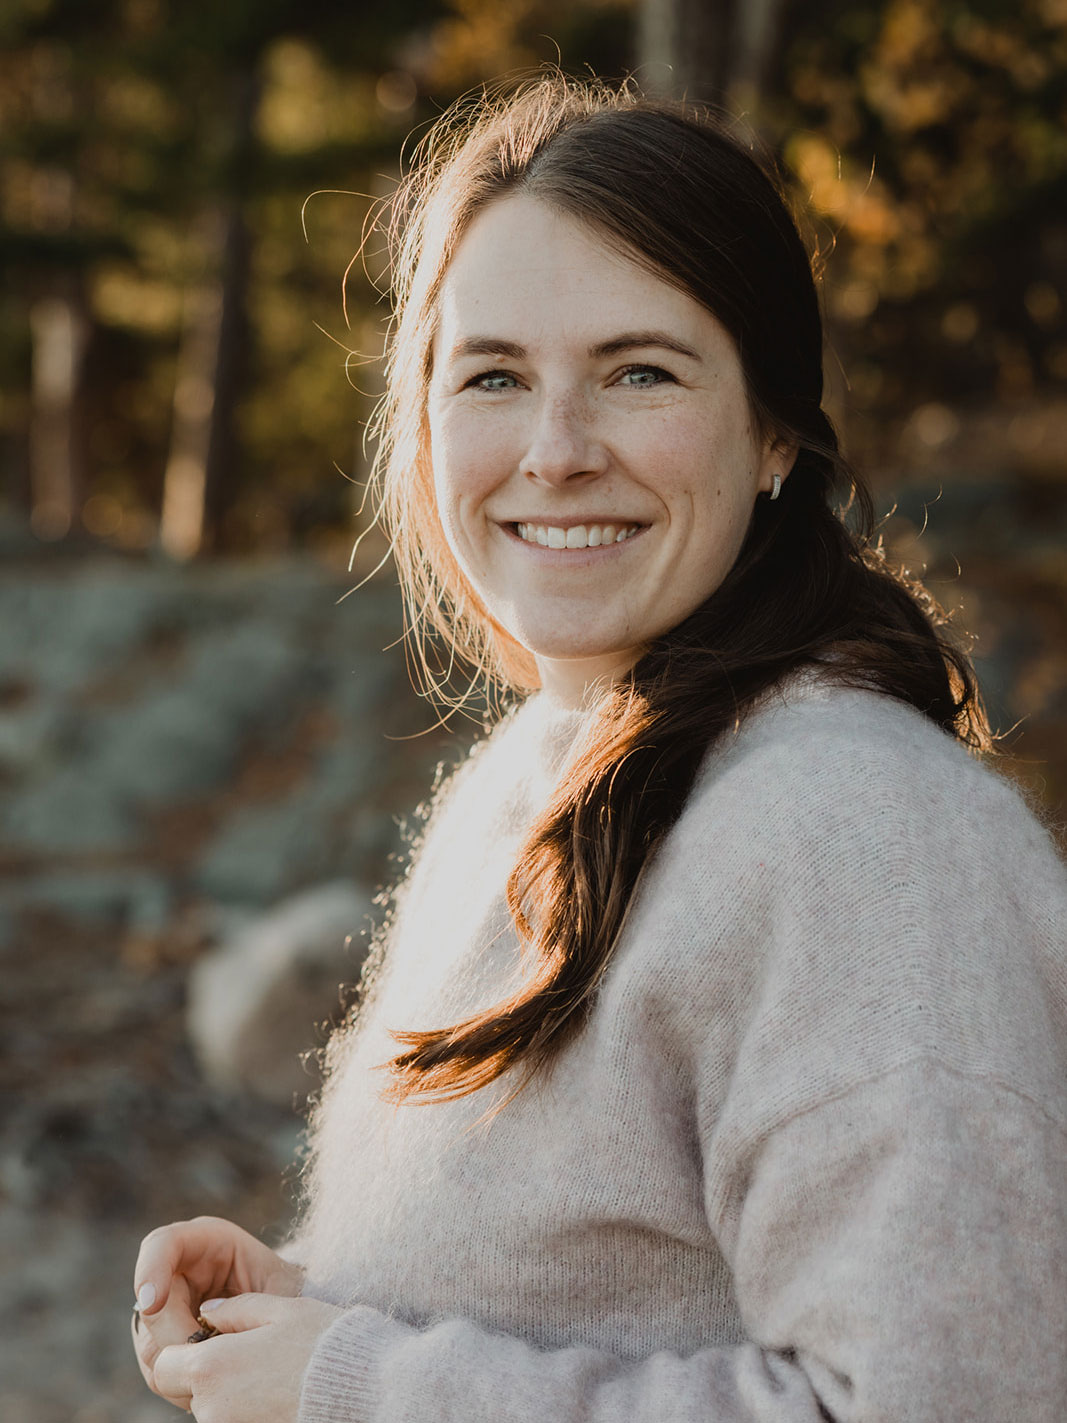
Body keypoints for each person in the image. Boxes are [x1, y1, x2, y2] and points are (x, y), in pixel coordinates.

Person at [131, 74, 1067, 1422]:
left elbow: (941, 1398)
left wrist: (360, 1383)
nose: (556, 452)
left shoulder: (861, 838)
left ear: (775, 439)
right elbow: (604, 1306)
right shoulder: (539, 773)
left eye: (639, 372)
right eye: (495, 377)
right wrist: (317, 1311)